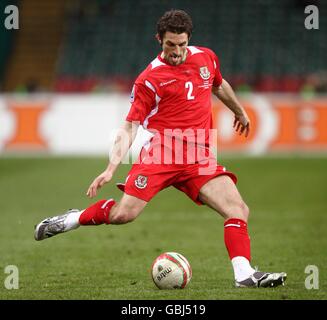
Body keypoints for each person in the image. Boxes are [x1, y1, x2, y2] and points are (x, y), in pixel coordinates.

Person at [34, 9, 287, 288]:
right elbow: (130, 126)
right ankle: (74, 218)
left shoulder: (206, 57)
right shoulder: (149, 79)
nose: (176, 51)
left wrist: (239, 111)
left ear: (189, 39)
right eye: (170, 45)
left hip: (199, 156)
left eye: (181, 44)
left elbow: (219, 84)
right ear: (159, 39)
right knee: (123, 215)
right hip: (161, 154)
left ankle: (244, 274)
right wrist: (110, 169)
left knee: (238, 208)